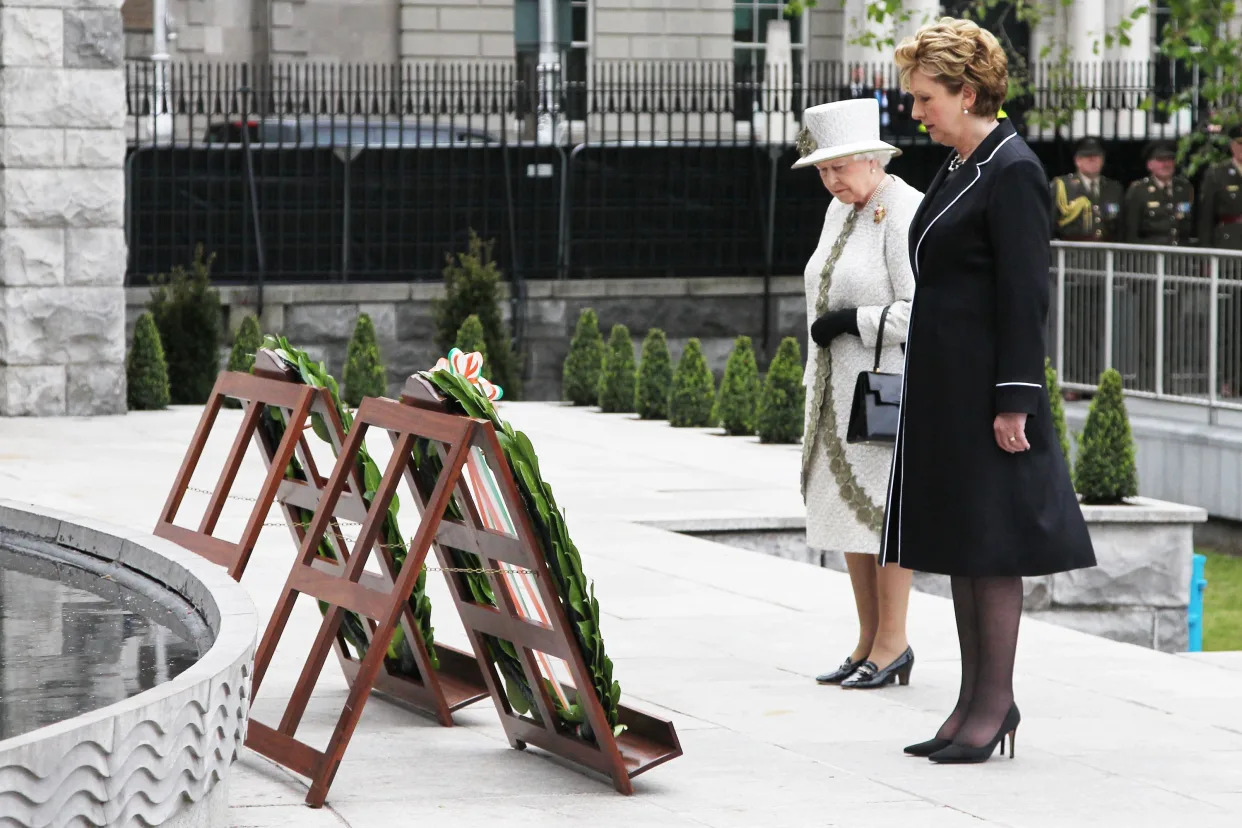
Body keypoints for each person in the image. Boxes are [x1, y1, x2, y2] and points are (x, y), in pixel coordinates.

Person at [888, 18, 1096, 763]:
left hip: (984, 390)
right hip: (946, 385)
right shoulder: (959, 163)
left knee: (992, 546)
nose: (915, 112)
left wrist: (1016, 400)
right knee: (963, 547)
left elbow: (1024, 293)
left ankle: (995, 704)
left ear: (966, 92)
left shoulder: (1013, 169)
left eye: (924, 99)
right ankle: (970, 705)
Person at [791, 97, 923, 691]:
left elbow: (922, 312)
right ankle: (867, 641)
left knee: (883, 516)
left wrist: (853, 320)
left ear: (872, 160)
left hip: (882, 387)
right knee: (846, 516)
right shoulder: (838, 211)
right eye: (822, 170)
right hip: (830, 387)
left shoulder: (905, 210)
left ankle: (894, 643)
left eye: (839, 168)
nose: (831, 180)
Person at [1051, 136, 1123, 242]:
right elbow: (1051, 223)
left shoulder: (1114, 188)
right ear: (1077, 161)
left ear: (1102, 160)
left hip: (1105, 252)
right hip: (1072, 252)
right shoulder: (1062, 186)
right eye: (1087, 157)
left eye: (1096, 157)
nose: (1092, 160)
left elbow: (1121, 228)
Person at [1124, 140, 1195, 246]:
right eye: (1160, 160)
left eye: (1169, 160)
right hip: (1151, 255)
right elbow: (1131, 232)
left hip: (1180, 254)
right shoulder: (1139, 190)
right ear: (1149, 165)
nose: (1166, 164)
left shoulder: (1184, 188)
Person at [1197, 124, 1242, 250]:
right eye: (1240, 143)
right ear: (1232, 145)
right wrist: (1205, 251)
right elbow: (1206, 216)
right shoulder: (1217, 174)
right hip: (1229, 243)